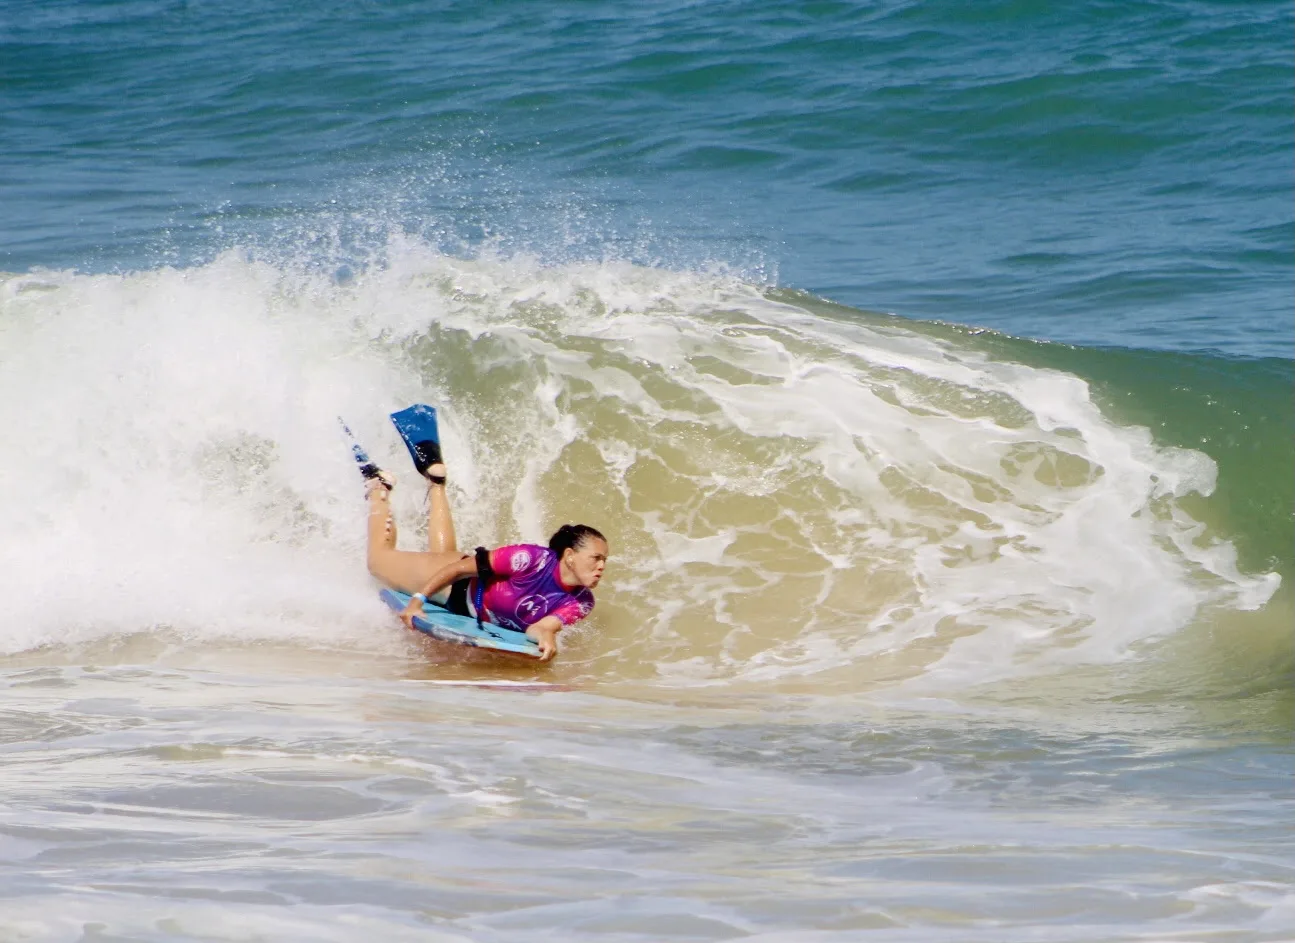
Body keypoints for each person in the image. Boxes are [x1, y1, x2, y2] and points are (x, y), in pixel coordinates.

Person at [364, 453, 607, 661]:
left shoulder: (582, 602)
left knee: (439, 552)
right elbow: (460, 570)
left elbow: (542, 626)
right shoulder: (531, 559)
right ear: (570, 556)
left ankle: (436, 483)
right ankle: (379, 486)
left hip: (470, 607)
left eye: (604, 560)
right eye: (595, 558)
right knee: (377, 561)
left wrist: (546, 636)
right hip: (455, 586)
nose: (601, 566)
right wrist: (417, 601)